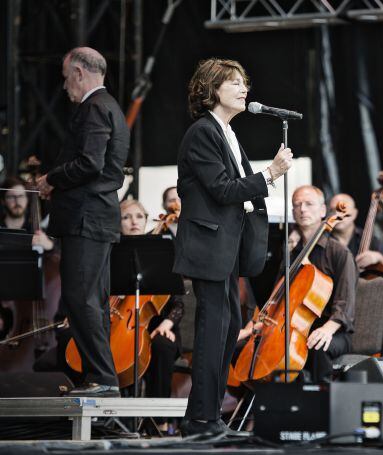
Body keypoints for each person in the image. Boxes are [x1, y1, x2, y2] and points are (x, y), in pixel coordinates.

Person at [173, 58, 292, 436]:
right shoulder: (202, 132)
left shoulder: (226, 130)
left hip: (226, 249)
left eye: (245, 83)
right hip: (209, 246)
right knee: (214, 329)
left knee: (228, 327)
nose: (244, 90)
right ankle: (201, 420)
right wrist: (270, 173)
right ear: (212, 89)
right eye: (235, 83)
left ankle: (209, 416)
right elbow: (223, 190)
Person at [36, 47, 129, 397]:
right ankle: (100, 378)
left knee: (80, 299)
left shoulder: (93, 108)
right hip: (96, 218)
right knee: (93, 300)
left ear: (78, 72)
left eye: (65, 77)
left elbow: (89, 163)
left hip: (86, 219)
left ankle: (103, 380)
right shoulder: (109, 107)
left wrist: (52, 180)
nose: (64, 87)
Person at [120, 199, 184, 432]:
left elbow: (178, 301)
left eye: (139, 216)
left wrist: (168, 322)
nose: (133, 222)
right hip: (123, 324)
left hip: (160, 323)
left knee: (161, 346)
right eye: (126, 217)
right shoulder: (114, 250)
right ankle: (118, 416)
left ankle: (159, 419)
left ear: (147, 220)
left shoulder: (161, 249)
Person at [288, 185, 358, 382]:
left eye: (309, 204)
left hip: (333, 330)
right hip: (300, 327)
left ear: (322, 211)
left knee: (317, 346)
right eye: (297, 205)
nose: (302, 209)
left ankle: (322, 403)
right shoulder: (292, 253)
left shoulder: (339, 253)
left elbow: (345, 304)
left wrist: (327, 329)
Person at [328, 193, 383, 272]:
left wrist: (378, 257)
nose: (337, 214)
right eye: (333, 210)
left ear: (354, 213)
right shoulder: (323, 241)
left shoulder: (370, 239)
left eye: (343, 209)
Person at [1, 176, 54, 251]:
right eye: (11, 197)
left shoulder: (36, 230)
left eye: (21, 196)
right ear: (3, 201)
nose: (17, 201)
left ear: (27, 199)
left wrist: (50, 246)